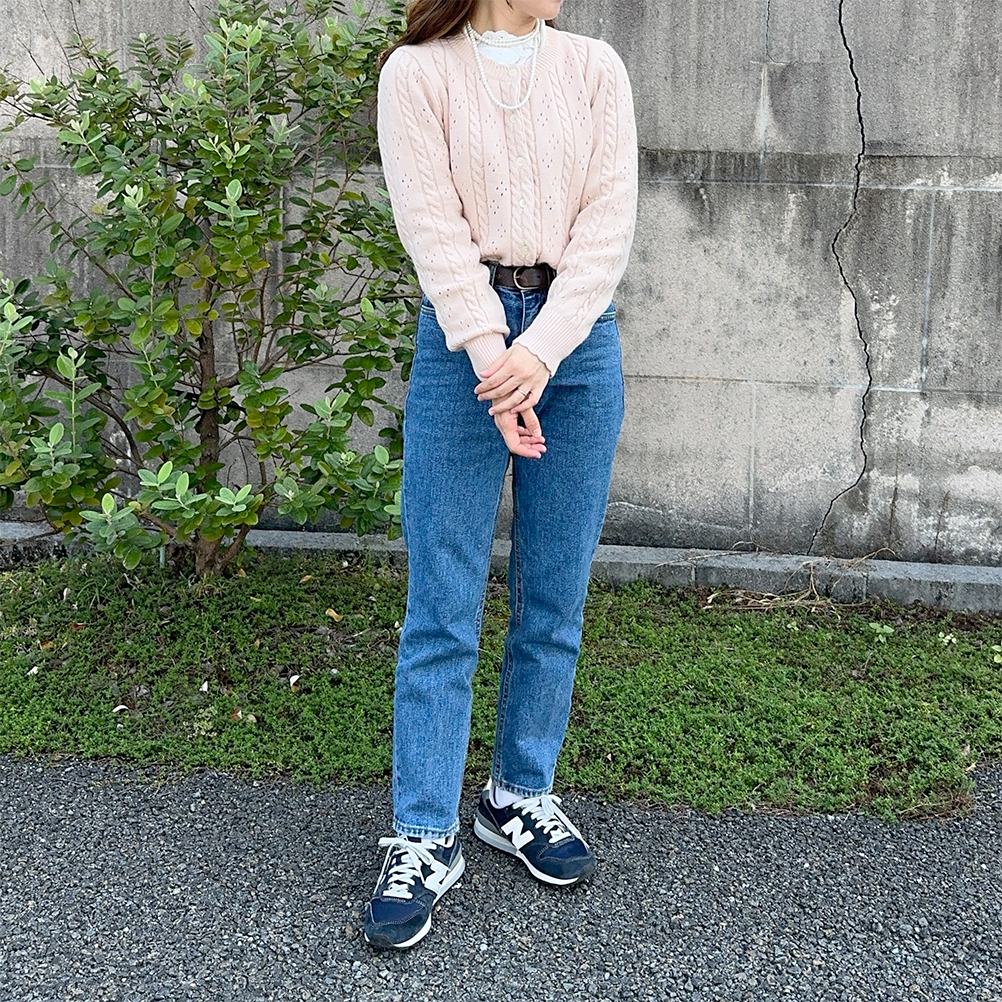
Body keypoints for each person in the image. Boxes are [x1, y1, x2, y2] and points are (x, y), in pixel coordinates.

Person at [364, 0, 638, 949]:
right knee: (442, 599)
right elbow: (431, 226)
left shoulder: (595, 67)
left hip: (578, 345)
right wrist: (495, 355)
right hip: (461, 347)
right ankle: (424, 833)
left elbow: (607, 223)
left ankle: (518, 793)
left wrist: (543, 350)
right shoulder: (418, 72)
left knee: (554, 593)